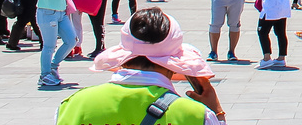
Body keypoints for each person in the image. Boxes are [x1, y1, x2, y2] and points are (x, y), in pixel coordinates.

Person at [53, 7, 227, 125]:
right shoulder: (195, 116)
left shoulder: (72, 105)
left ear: (124, 55)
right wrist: (217, 113)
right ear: (174, 61)